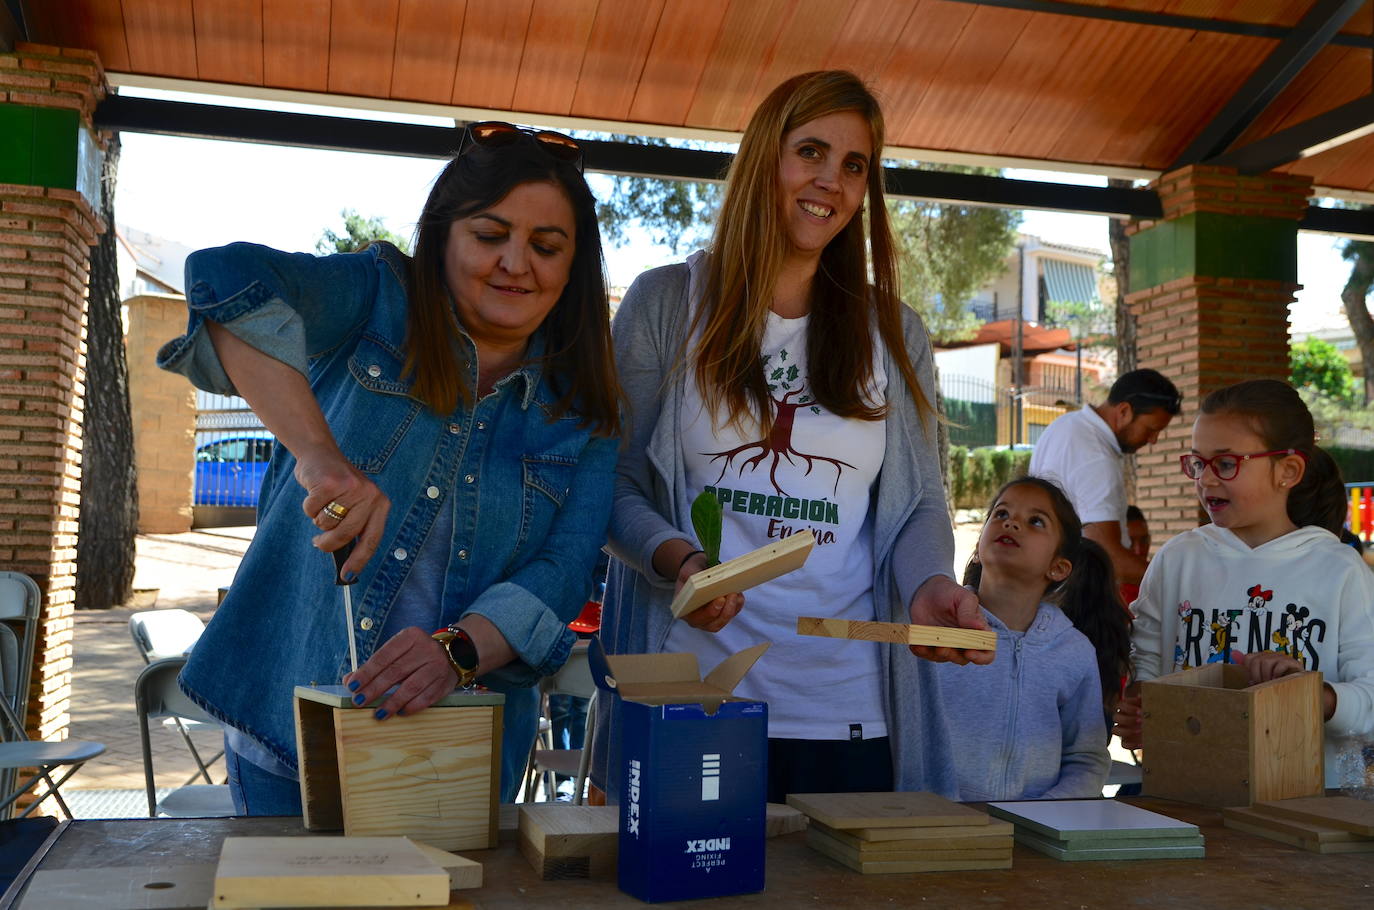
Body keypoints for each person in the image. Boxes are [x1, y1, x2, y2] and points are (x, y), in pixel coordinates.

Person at [156, 123, 621, 813]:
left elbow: (566, 566)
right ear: (444, 236)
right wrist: (321, 458)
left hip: (461, 751)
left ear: (573, 267)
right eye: (490, 235)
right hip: (295, 732)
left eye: (546, 247)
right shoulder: (374, 298)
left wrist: (457, 651)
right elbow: (224, 279)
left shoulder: (586, 408)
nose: (515, 263)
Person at [595, 70, 991, 805]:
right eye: (811, 151)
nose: (831, 182)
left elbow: (920, 505)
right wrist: (679, 560)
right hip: (692, 696)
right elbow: (611, 484)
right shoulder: (665, 304)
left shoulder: (895, 332)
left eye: (854, 166)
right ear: (764, 159)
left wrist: (933, 585)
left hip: (845, 709)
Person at [1117, 379, 1374, 788]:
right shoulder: (1178, 559)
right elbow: (1145, 666)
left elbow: (1370, 703)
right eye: (1198, 463)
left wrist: (1310, 695)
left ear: (1287, 470)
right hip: (1184, 792)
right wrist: (1140, 709)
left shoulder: (1341, 570)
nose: (1206, 480)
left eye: (1225, 464)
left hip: (1303, 803)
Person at [937, 477, 1119, 800]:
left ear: (1058, 568)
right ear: (978, 548)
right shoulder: (938, 632)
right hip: (934, 829)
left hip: (1034, 838)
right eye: (1001, 514)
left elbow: (1087, 759)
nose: (1012, 523)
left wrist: (1044, 815)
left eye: (1035, 521)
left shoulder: (1074, 652)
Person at [1029, 369, 1181, 586]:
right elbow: (1107, 556)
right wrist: (1181, 584)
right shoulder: (1096, 457)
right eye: (1150, 429)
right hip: (1071, 598)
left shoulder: (1066, 425)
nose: (1153, 440)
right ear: (1124, 411)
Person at [1119, 504, 1150, 604]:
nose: (1138, 550)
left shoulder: (1157, 575)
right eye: (1130, 543)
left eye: (1144, 540)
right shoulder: (1109, 590)